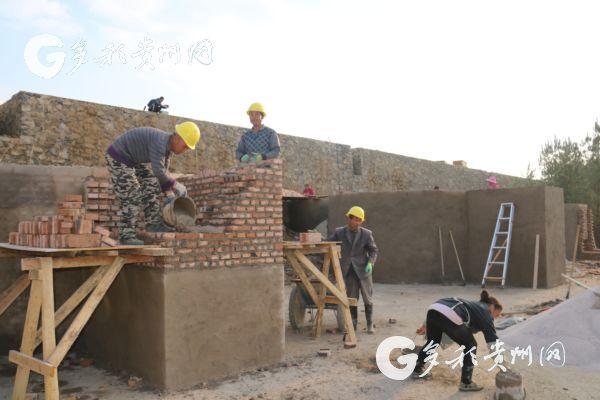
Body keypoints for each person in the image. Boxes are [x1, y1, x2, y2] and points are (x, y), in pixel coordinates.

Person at [105, 122, 201, 245]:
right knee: (132, 193)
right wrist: (176, 185)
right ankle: (126, 235)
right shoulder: (160, 143)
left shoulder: (167, 149)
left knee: (151, 182)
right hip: (118, 157)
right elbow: (159, 171)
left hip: (132, 160)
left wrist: (170, 195)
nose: (185, 150)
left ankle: (153, 224)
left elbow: (162, 175)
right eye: (185, 146)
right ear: (178, 138)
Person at [411, 290, 503, 392]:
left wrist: (425, 325)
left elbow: (443, 308)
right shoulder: (486, 311)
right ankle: (466, 383)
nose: (494, 318)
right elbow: (493, 343)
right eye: (496, 315)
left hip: (434, 308)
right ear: (492, 306)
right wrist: (504, 365)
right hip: (449, 313)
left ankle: (417, 369)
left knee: (433, 341)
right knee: (471, 345)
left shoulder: (474, 305)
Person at [328, 206, 379, 334]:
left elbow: (374, 250)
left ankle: (369, 324)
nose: (356, 222)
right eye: (354, 219)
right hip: (349, 270)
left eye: (359, 220)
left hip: (364, 270)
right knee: (352, 298)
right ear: (349, 218)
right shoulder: (339, 232)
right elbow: (328, 242)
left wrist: (371, 263)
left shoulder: (367, 234)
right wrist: (315, 237)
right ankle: (353, 325)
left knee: (368, 298)